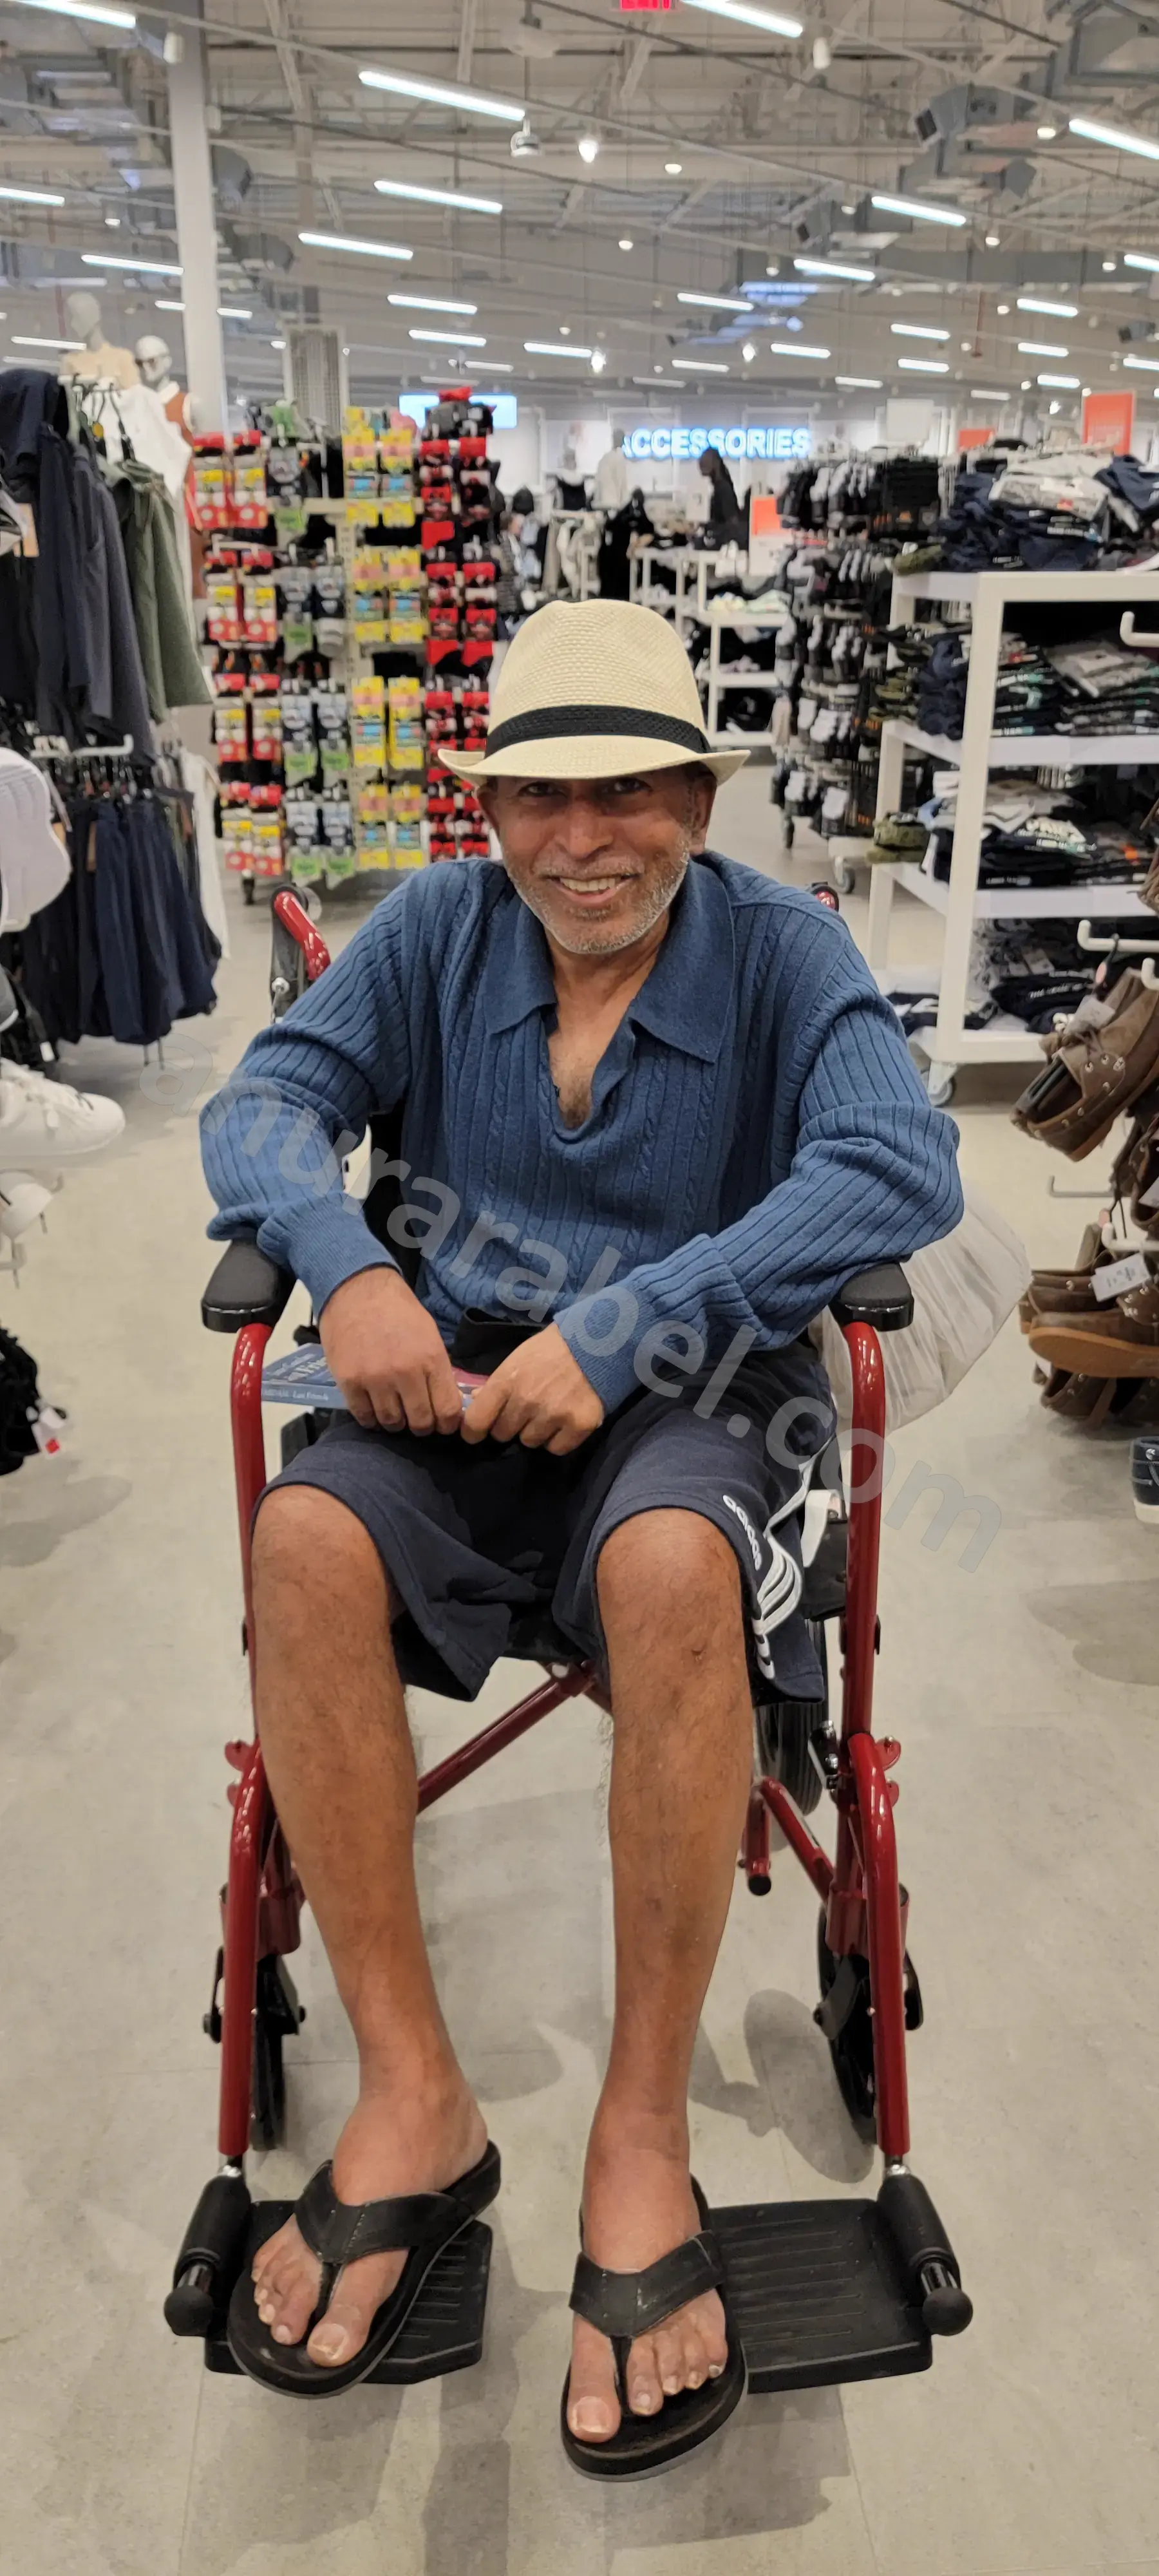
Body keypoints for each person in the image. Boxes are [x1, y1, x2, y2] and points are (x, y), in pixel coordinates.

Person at [200, 600, 962, 2465]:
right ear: (490, 812)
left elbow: (898, 1163)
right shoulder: (438, 929)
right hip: (453, 1383)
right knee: (301, 1541)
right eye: (540, 795)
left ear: (697, 800)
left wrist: (631, 1319)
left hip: (696, 1393)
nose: (582, 836)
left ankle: (641, 2132)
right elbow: (266, 1100)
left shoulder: (784, 951)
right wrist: (348, 1268)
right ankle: (415, 2101)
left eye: (628, 790)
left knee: (669, 1563)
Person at [697, 444, 744, 541]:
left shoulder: (723, 489)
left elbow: (731, 523)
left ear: (715, 463)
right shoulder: (719, 487)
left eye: (706, 461)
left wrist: (711, 529)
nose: (701, 464)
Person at [592, 426, 630, 514]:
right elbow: (622, 484)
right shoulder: (620, 459)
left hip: (603, 504)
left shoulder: (605, 459)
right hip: (615, 506)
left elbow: (598, 482)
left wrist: (597, 500)